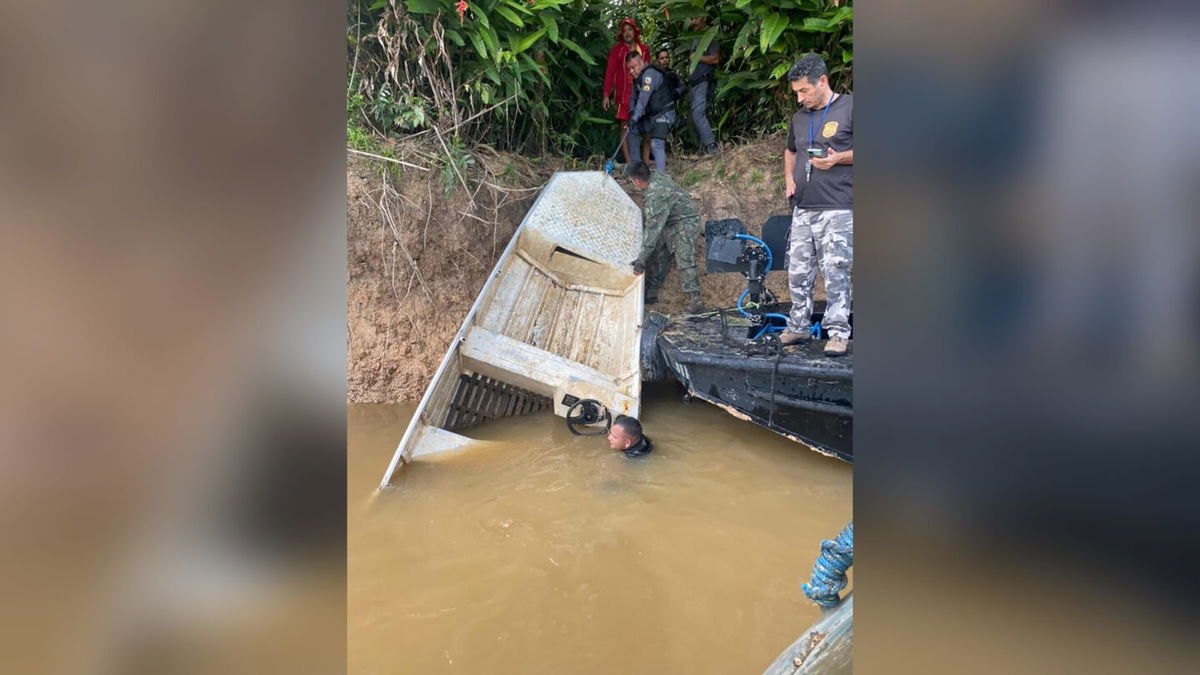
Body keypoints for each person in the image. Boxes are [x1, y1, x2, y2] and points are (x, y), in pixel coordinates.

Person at [779, 53, 854, 356]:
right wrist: (788, 179)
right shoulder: (799, 118)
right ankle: (798, 327)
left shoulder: (851, 107)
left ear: (822, 81)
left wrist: (839, 158)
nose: (800, 98)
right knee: (798, 271)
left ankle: (837, 332)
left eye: (804, 91)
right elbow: (789, 151)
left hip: (837, 207)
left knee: (835, 271)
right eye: (797, 92)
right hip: (803, 208)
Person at [620, 161, 704, 313]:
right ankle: (651, 293)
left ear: (637, 181)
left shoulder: (656, 195)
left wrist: (641, 260)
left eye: (632, 181)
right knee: (660, 252)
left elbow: (652, 231)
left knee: (684, 257)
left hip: (686, 220)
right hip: (671, 219)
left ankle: (696, 301)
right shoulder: (654, 175)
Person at [602, 18, 650, 164]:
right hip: (624, 95)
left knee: (647, 124)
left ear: (635, 32)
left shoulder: (644, 50)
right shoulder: (616, 51)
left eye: (630, 29)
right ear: (621, 34)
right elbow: (609, 73)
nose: (627, 33)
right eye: (625, 30)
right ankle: (629, 160)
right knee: (625, 126)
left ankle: (646, 158)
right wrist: (606, 94)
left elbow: (649, 71)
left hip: (642, 92)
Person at [625, 51, 676, 172]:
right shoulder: (637, 78)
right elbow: (633, 97)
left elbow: (643, 99)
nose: (631, 71)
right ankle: (638, 172)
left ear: (641, 62)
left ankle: (661, 178)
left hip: (664, 114)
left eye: (634, 67)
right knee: (631, 131)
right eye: (629, 69)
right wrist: (632, 113)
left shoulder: (650, 74)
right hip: (651, 117)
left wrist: (634, 118)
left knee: (656, 143)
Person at [687, 15, 721, 155]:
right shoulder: (697, 36)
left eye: (696, 18)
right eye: (692, 19)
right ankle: (703, 148)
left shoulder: (711, 35)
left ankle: (712, 146)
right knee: (694, 115)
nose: (693, 21)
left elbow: (715, 58)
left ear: (705, 18)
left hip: (703, 80)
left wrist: (697, 57)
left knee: (698, 113)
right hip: (694, 82)